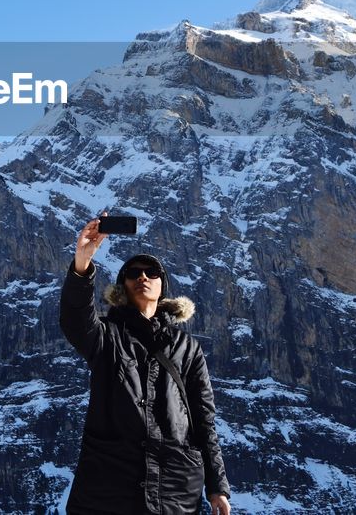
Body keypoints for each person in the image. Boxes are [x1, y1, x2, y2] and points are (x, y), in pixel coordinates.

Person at [59, 211, 231, 515]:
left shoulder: (187, 348)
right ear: (122, 286)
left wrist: (217, 487)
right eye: (134, 272)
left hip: (175, 486)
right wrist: (83, 261)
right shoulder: (107, 336)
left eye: (151, 272)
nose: (143, 277)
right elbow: (75, 320)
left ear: (163, 286)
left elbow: (204, 420)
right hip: (110, 485)